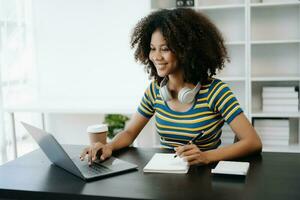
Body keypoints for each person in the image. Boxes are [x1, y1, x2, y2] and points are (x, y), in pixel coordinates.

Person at [80, 8, 262, 166]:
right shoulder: (155, 90)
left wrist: (206, 156)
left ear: (186, 50)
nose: (156, 56)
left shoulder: (216, 92)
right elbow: (129, 132)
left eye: (165, 49)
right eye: (152, 48)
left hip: (205, 177)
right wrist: (108, 146)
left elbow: (253, 142)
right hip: (167, 174)